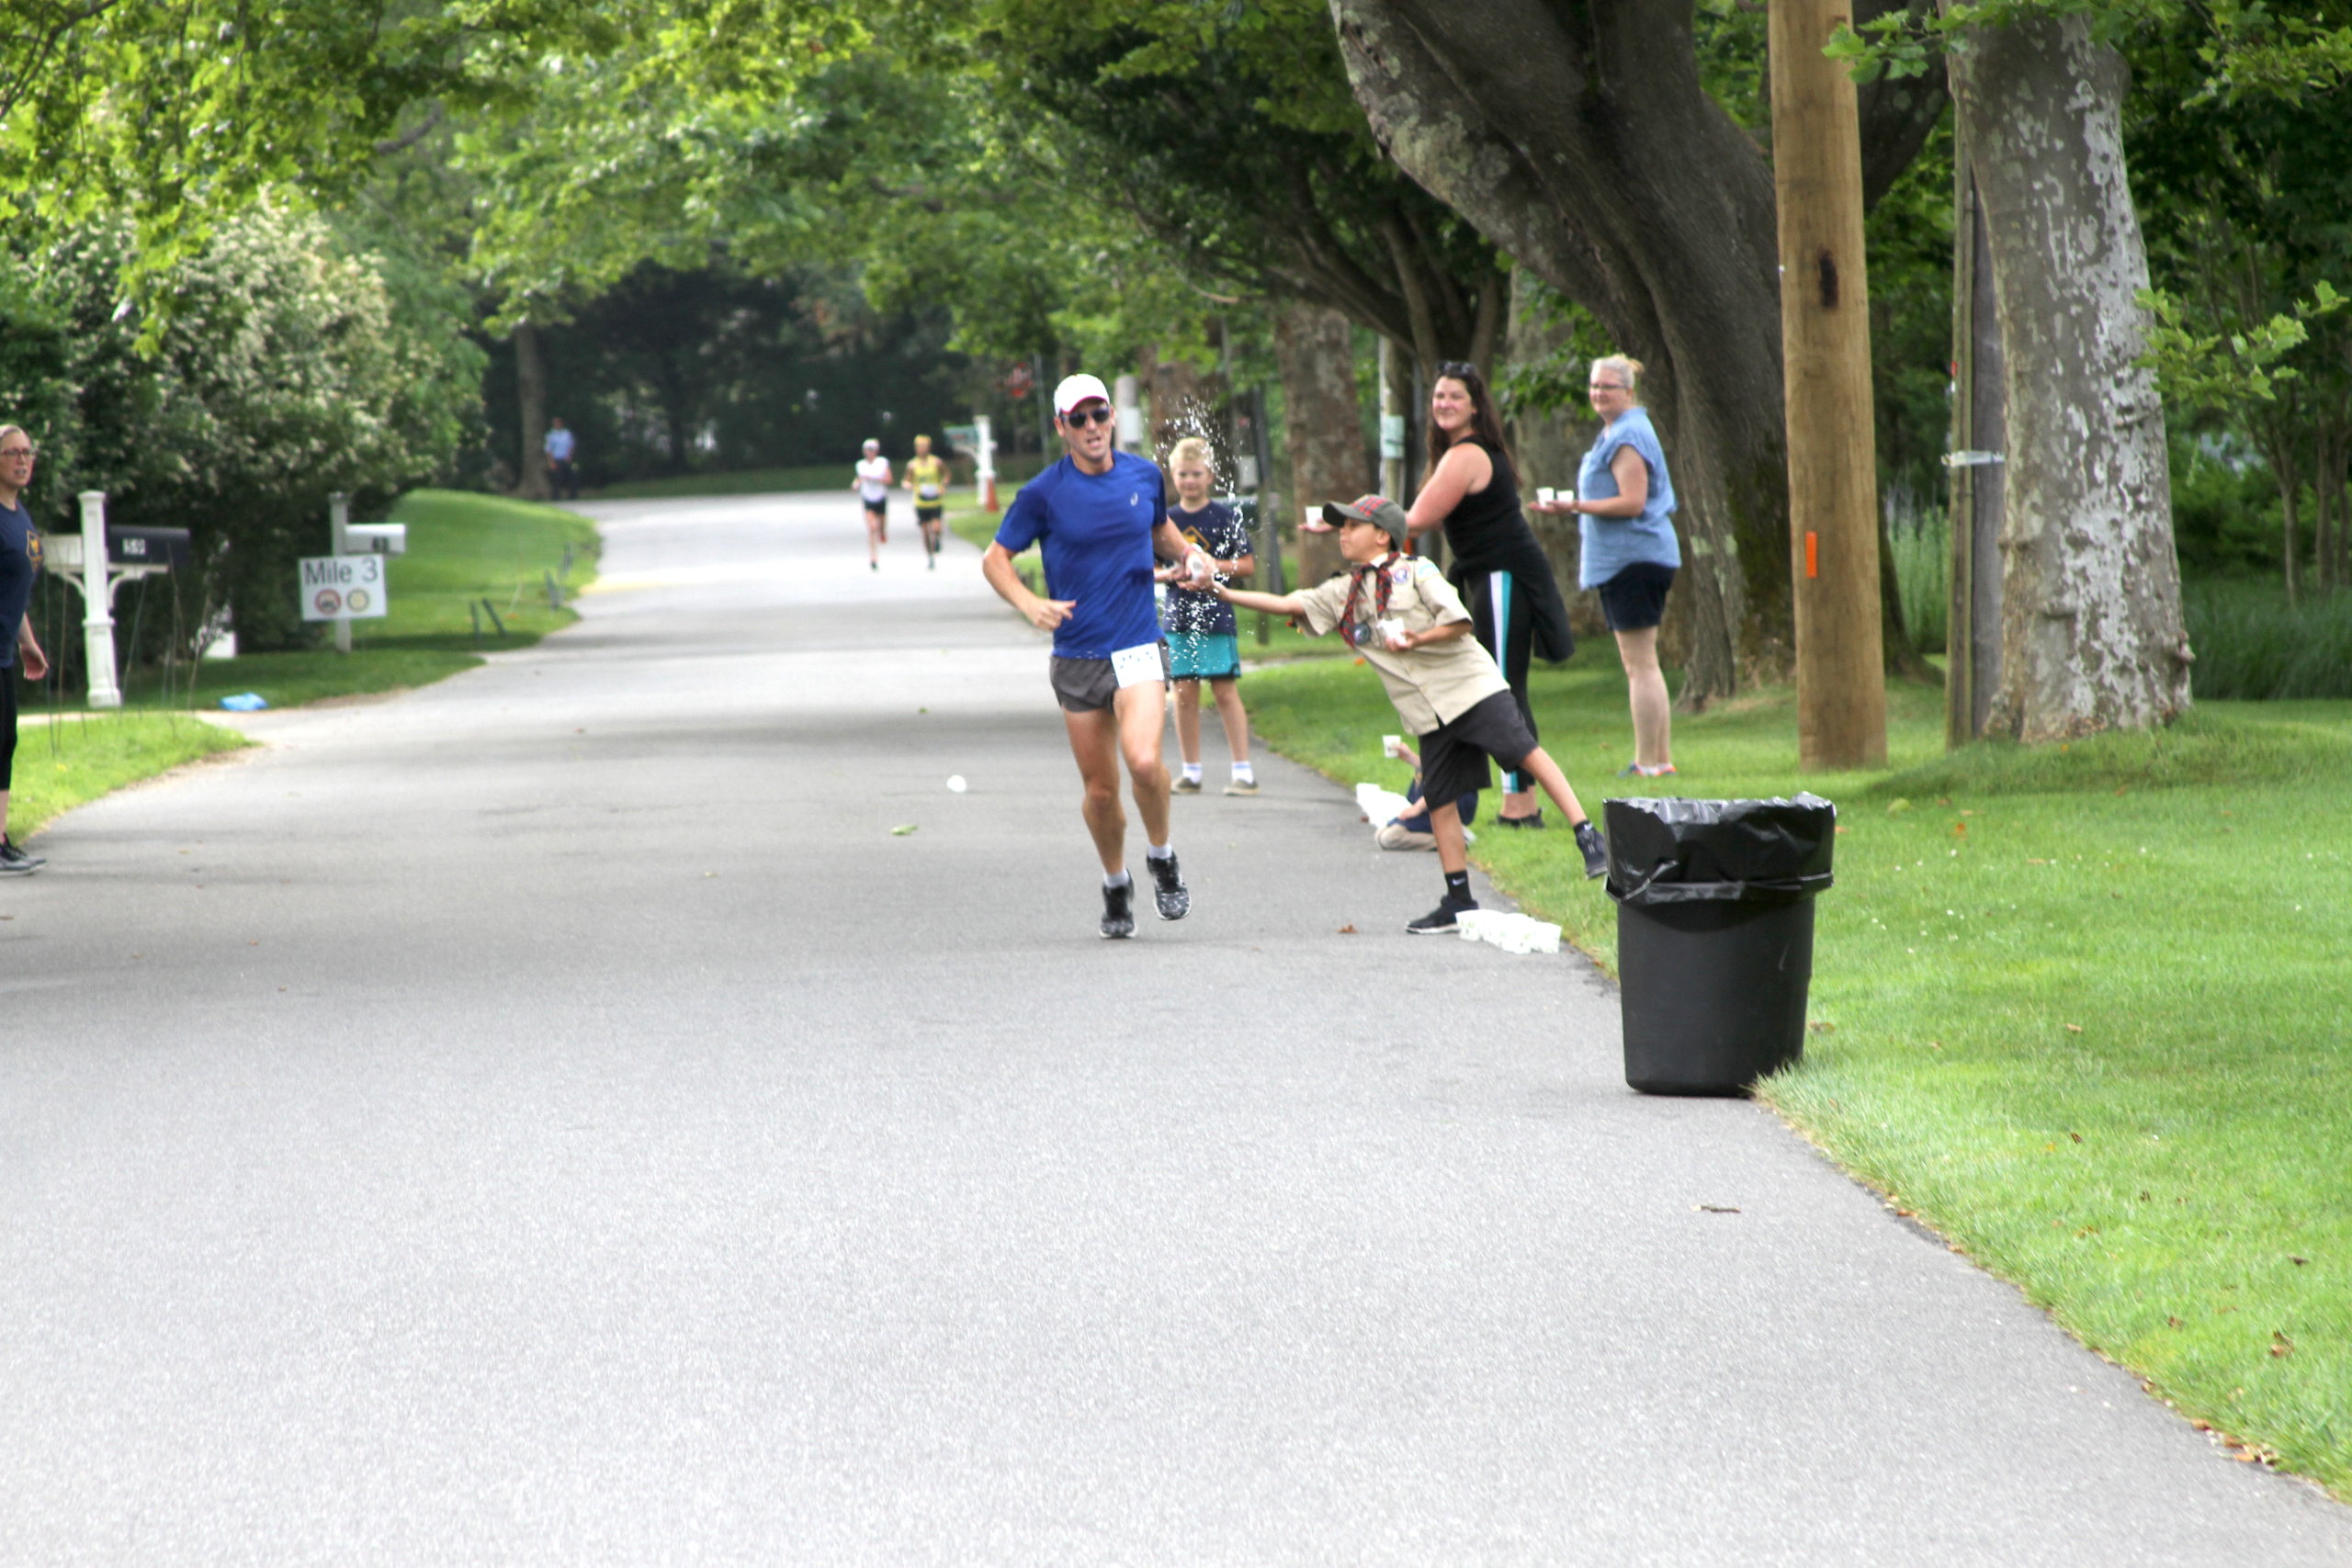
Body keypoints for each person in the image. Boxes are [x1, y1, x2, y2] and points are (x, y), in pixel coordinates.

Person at [1217, 495, 1605, 934]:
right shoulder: (1345, 591)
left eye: (1352, 526)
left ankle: (1587, 835)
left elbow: (1459, 621)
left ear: (1383, 534)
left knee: (1523, 752)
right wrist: (1224, 592)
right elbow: (1291, 604)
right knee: (1439, 798)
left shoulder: (1419, 571)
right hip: (1425, 710)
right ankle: (1458, 899)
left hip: (1469, 688)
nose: (1343, 533)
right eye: (1341, 526)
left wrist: (1416, 640)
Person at [981, 374, 1216, 939]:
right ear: (1061, 427)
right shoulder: (1043, 493)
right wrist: (1029, 603)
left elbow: (1159, 527)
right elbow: (995, 559)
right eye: (1079, 419)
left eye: (1100, 414)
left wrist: (1190, 557)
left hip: (1136, 645)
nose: (1092, 427)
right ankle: (1115, 883)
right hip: (1078, 656)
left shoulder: (1143, 475)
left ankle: (1161, 856)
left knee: (1143, 762)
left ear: (1112, 417)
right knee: (1101, 791)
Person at [1399, 359, 1577, 828]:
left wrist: (1355, 521)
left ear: (1475, 405)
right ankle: (1517, 802)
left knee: (1500, 689)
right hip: (1485, 577)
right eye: (1439, 396)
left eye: (1455, 396)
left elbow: (1416, 520)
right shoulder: (1456, 453)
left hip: (1503, 577)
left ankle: (1521, 807)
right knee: (1497, 687)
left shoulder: (1467, 455)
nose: (1444, 404)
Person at [1529, 354, 1679, 776]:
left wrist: (1574, 506)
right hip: (1632, 558)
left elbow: (1632, 502)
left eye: (1608, 387)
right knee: (1644, 662)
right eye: (1594, 386)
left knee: (1639, 664)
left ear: (1628, 392)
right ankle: (1660, 760)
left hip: (1634, 558)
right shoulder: (1617, 431)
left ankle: (1647, 763)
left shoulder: (1628, 435)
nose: (1598, 393)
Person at [1160, 436, 1256, 796]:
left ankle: (1243, 771)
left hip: (1216, 615)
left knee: (1224, 691)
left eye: (1196, 474)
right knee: (1184, 693)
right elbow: (1148, 567)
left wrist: (1217, 565)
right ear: (1173, 475)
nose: (1189, 481)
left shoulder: (1224, 516)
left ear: (1210, 476)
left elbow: (1246, 565)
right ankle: (1191, 771)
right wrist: (1168, 574)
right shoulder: (1165, 520)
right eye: (1183, 474)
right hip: (1178, 617)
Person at [0, 425, 52, 875]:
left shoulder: (20, 515)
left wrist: (28, 642)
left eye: (27, 452)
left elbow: (14, 588)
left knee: (5, 742)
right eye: (11, 453)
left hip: (4, 650)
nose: (22, 460)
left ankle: (1, 841)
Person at [903, 434, 949, 570]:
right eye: (919, 446)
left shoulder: (936, 462)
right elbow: (906, 480)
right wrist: (908, 485)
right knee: (925, 532)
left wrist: (943, 486)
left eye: (924, 446)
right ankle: (930, 556)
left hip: (935, 501)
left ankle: (938, 540)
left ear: (928, 447)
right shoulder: (912, 465)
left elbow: (946, 475)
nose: (921, 449)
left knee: (936, 528)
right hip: (921, 502)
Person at [853, 438, 892, 571]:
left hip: (880, 497)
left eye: (871, 450)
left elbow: (889, 480)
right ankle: (873, 557)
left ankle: (883, 532)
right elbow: (860, 478)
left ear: (876, 451)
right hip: (868, 498)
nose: (869, 452)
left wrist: (874, 478)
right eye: (867, 450)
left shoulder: (882, 463)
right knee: (872, 528)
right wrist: (856, 484)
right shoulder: (860, 464)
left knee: (881, 527)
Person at [543, 418, 580, 500]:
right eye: (555, 423)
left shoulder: (567, 434)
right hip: (556, 459)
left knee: (573, 475)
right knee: (556, 479)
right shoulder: (550, 435)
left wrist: (569, 456)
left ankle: (573, 496)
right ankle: (556, 496)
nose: (557, 425)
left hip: (567, 459)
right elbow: (548, 450)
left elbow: (571, 446)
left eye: (558, 423)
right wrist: (551, 462)